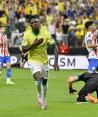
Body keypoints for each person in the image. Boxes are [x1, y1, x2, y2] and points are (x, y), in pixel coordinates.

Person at [22, 15, 59, 110]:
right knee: (39, 78)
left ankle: (43, 98)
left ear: (39, 23)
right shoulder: (27, 34)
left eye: (37, 22)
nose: (35, 24)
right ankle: (39, 96)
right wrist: (33, 45)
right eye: (33, 22)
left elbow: (55, 47)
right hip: (33, 60)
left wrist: (56, 62)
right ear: (30, 25)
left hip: (44, 60)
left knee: (45, 82)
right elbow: (24, 49)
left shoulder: (45, 33)